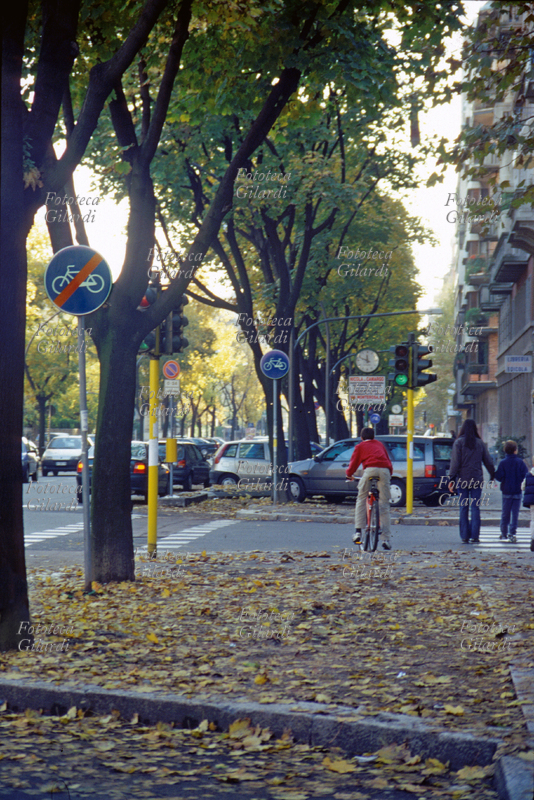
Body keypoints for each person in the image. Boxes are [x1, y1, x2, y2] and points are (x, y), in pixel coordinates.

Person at [448, 419, 495, 544]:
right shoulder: (480, 443)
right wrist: (492, 474)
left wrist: (451, 479)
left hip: (462, 480)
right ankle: (475, 535)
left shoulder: (458, 443)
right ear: (475, 429)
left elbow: (455, 463)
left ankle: (464, 535)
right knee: (475, 507)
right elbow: (488, 461)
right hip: (476, 480)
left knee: (463, 507)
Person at [346, 427, 393, 550]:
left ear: (361, 437)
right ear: (373, 437)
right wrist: (389, 474)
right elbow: (388, 460)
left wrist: (349, 474)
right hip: (384, 471)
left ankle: (358, 532)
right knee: (384, 504)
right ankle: (386, 539)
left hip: (370, 470)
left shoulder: (360, 446)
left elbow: (354, 463)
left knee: (361, 498)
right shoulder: (379, 444)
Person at [494, 440, 528, 543]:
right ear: (515, 451)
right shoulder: (520, 462)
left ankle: (503, 532)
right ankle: (512, 533)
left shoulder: (503, 463)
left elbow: (499, 477)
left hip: (506, 491)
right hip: (517, 491)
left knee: (505, 513)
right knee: (515, 514)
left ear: (505, 450)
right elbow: (525, 476)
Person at [521, 456, 534, 552]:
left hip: (532, 502)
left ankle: (533, 540)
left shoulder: (529, 475)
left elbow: (523, 487)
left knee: (533, 521)